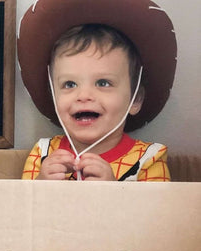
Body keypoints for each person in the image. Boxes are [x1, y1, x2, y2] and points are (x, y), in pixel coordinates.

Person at [17, 0, 177, 181]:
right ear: (53, 96)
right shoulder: (42, 154)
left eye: (103, 83)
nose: (84, 96)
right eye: (69, 84)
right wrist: (41, 185)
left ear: (136, 99)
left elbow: (159, 209)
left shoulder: (150, 159)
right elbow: (24, 207)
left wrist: (113, 192)